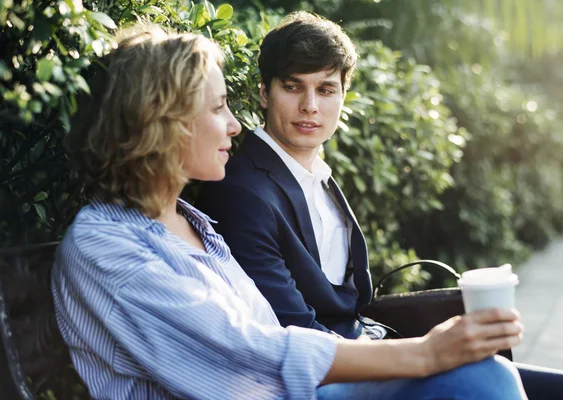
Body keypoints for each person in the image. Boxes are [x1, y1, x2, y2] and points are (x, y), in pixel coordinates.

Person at [50, 23, 529, 400]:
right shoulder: (106, 245)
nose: (235, 126)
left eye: (327, 90)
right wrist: (424, 354)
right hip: (286, 388)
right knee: (483, 384)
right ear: (163, 121)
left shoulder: (189, 223)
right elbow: (250, 351)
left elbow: (264, 336)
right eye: (218, 108)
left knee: (498, 377)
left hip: (296, 385)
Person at [198, 11, 563, 399]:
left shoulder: (314, 173)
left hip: (372, 344)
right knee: (491, 378)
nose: (310, 107)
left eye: (325, 89)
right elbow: (295, 335)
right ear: (265, 92)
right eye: (292, 87)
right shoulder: (243, 191)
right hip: (324, 377)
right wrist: (421, 355)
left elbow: (350, 302)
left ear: (343, 95)